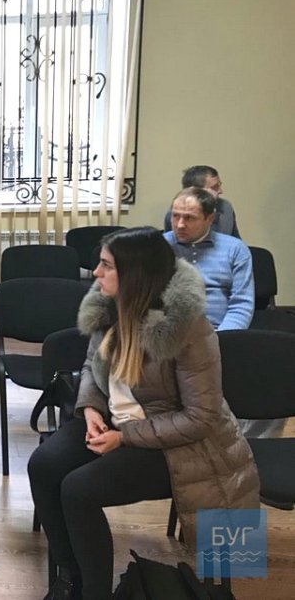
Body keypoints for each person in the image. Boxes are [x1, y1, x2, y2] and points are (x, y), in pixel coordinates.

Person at [28, 228, 259, 600]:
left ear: (135, 275)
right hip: (117, 420)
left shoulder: (189, 328)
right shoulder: (108, 305)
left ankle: (95, 594)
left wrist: (123, 437)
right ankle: (71, 579)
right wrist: (90, 408)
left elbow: (201, 417)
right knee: (43, 466)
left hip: (180, 443)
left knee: (78, 490)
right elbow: (91, 367)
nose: (95, 273)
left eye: (106, 266)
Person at [164, 187, 254, 331]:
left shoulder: (235, 249)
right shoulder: (159, 246)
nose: (180, 225)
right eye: (175, 216)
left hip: (219, 331)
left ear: (210, 219)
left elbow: (241, 304)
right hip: (168, 333)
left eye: (189, 218)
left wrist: (223, 338)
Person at [162, 165, 240, 237]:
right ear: (195, 190)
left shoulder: (225, 207)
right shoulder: (176, 213)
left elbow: (236, 240)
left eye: (219, 185)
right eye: (214, 187)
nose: (220, 191)